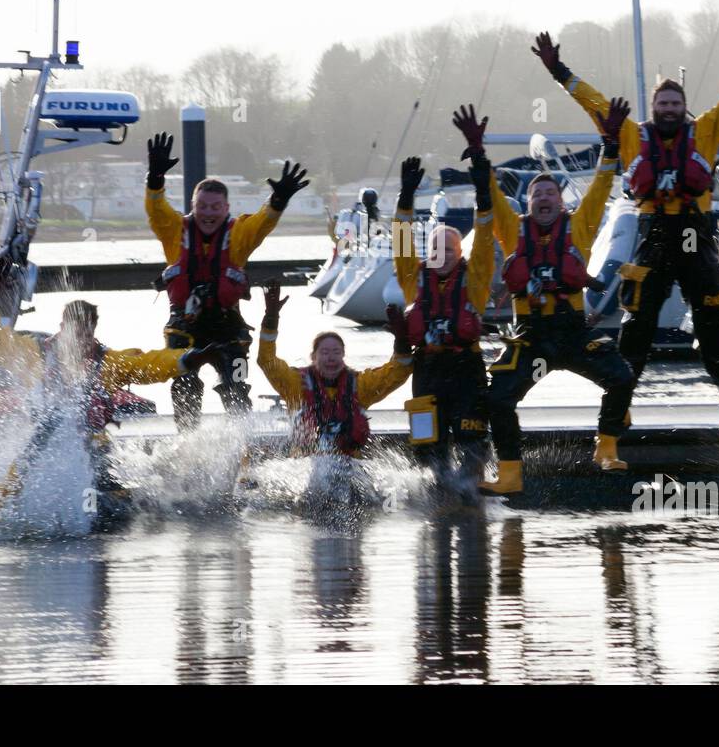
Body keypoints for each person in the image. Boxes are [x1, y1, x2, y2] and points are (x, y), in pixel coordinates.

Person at [532, 23, 719, 460]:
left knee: (712, 324)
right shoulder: (629, 134)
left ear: (685, 107)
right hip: (652, 232)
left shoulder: (708, 129)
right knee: (635, 328)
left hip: (696, 231)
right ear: (654, 107)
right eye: (663, 104)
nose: (670, 109)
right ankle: (617, 420)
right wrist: (558, 70)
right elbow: (592, 101)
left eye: (676, 103)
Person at [456, 101, 633, 494]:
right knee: (499, 399)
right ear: (529, 204)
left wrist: (610, 143)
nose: (544, 199)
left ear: (563, 202)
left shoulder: (581, 226)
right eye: (537, 195)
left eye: (551, 193)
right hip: (530, 337)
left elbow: (604, 183)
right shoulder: (512, 228)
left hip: (572, 332)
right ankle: (511, 475)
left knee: (621, 378)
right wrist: (480, 154)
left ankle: (606, 447)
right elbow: (491, 195)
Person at [0, 294, 222, 511]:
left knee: (107, 508)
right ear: (62, 327)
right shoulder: (35, 354)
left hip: (93, 458)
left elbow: (149, 365)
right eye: (76, 333)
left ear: (94, 331)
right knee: (51, 423)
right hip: (39, 453)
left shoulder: (109, 363)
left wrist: (190, 359)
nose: (82, 342)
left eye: (87, 334)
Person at [144, 131, 309, 427]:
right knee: (184, 384)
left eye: (215, 207)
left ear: (226, 209)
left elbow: (263, 223)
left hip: (228, 327)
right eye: (202, 206)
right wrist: (155, 179)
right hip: (184, 325)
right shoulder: (174, 230)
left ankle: (242, 443)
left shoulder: (239, 235)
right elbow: (156, 211)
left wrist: (278, 200)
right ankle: (187, 441)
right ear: (193, 206)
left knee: (237, 385)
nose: (208, 213)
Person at [390, 129, 495, 487]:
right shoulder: (412, 277)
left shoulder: (476, 279)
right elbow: (401, 242)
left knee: (471, 436)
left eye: (449, 250)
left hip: (466, 368)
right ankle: (437, 494)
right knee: (428, 442)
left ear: (460, 254)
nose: (441, 256)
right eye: (435, 250)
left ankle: (472, 493)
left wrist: (483, 191)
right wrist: (406, 198)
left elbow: (484, 233)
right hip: (428, 367)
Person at [255, 283, 413, 457]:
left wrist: (402, 343)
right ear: (313, 357)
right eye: (324, 352)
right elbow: (266, 360)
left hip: (350, 464)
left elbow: (398, 372)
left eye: (336, 352)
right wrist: (270, 319)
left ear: (343, 355)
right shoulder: (294, 384)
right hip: (305, 466)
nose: (331, 358)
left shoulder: (361, 385)